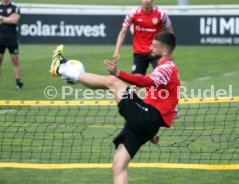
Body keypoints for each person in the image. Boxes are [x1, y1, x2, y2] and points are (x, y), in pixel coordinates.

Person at [50, 32, 180, 184]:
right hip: (147, 121)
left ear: (165, 51)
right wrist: (150, 131)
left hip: (148, 118)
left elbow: (144, 81)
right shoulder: (165, 69)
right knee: (119, 165)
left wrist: (118, 73)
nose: (150, 47)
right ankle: (66, 69)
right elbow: (164, 103)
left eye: (154, 46)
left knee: (113, 81)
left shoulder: (167, 68)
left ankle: (62, 68)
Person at [113, 0, 173, 75]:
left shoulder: (161, 13)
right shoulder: (133, 13)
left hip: (156, 51)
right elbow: (123, 32)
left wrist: (169, 52)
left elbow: (170, 32)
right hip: (139, 52)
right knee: (136, 83)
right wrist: (116, 51)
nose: (146, 0)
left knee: (163, 78)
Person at [0, 0, 22, 90]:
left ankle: (18, 82)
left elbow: (15, 20)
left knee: (15, 60)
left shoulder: (15, 6)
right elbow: (11, 19)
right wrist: (9, 19)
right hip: (0, 38)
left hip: (12, 38)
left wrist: (2, 18)